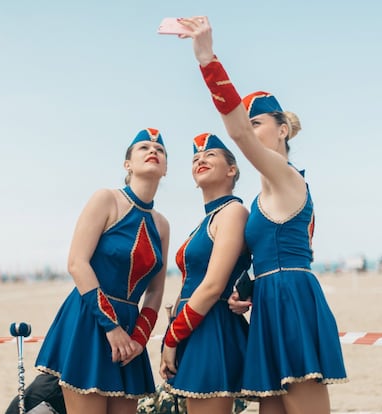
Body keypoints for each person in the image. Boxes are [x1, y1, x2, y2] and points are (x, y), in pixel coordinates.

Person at [172, 17, 348, 414]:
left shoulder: (287, 179)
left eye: (258, 123)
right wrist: (248, 288)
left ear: (283, 130)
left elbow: (238, 136)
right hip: (268, 304)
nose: (250, 131)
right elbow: (283, 247)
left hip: (292, 302)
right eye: (249, 123)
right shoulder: (263, 194)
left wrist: (206, 58)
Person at [35, 128, 170, 414]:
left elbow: (156, 290)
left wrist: (138, 338)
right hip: (90, 320)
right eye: (143, 147)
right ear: (128, 164)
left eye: (160, 150)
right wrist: (111, 327)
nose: (153, 151)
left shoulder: (162, 224)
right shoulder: (107, 199)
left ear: (166, 168)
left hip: (132, 332)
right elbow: (76, 263)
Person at [159, 133, 251, 414]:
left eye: (210, 155)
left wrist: (171, 339)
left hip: (213, 329)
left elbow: (212, 286)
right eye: (196, 158)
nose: (201, 159)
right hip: (193, 328)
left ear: (231, 170)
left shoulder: (233, 212)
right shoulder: (207, 220)